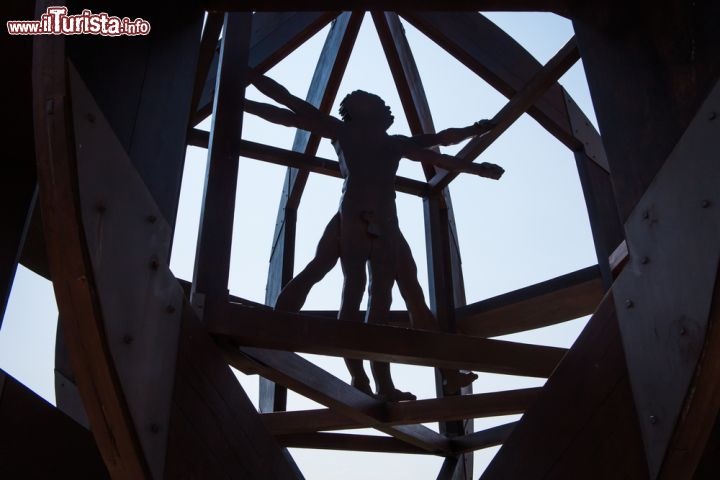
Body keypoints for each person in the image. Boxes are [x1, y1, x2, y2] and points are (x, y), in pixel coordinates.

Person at [245, 73, 504, 401]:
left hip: (368, 217)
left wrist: (475, 146)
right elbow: (287, 106)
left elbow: (440, 145)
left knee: (390, 290)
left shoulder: (381, 140)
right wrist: (246, 88)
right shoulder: (355, 134)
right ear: (367, 112)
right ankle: (376, 381)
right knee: (372, 297)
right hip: (365, 218)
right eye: (380, 105)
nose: (387, 109)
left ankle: (420, 375)